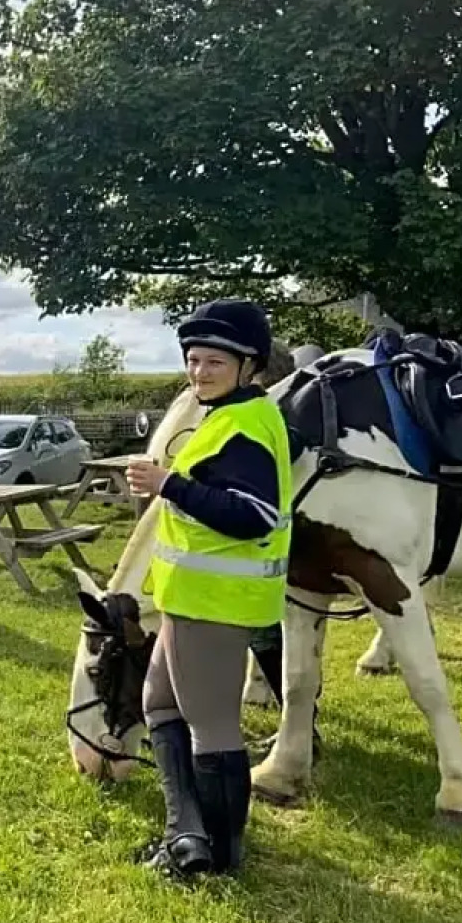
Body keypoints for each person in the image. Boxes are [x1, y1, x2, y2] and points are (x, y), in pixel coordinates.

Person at [123, 298, 293, 879]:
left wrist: (169, 484)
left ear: (249, 366)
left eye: (213, 362)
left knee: (212, 723)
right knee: (159, 703)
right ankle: (186, 836)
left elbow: (255, 515)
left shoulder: (245, 426)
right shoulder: (225, 414)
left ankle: (220, 858)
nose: (198, 372)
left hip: (216, 605)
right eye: (193, 360)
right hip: (190, 598)